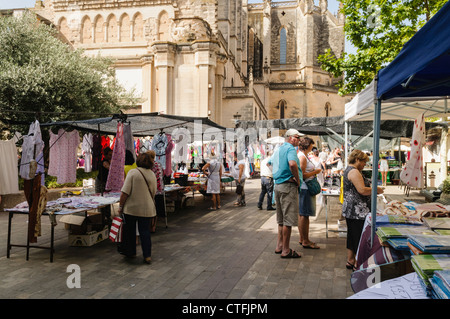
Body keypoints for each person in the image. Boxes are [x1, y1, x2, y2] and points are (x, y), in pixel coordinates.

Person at [342, 149, 384, 271]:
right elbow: (362, 190)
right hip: (357, 211)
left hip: (352, 210)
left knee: (352, 236)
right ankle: (358, 264)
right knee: (359, 238)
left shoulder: (349, 170)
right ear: (357, 159)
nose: (364, 165)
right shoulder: (354, 172)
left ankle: (350, 260)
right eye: (363, 162)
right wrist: (377, 189)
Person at [269, 129, 303, 259]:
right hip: (287, 186)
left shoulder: (279, 149)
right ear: (290, 138)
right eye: (297, 137)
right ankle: (286, 250)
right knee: (288, 220)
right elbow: (292, 164)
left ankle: (279, 246)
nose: (299, 140)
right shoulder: (290, 149)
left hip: (278, 186)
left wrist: (278, 176)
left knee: (281, 220)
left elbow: (269, 163)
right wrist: (297, 179)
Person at [118, 152, 157, 265]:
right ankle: (147, 255)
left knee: (130, 232)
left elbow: (125, 192)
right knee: (145, 232)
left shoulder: (133, 173)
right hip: (147, 209)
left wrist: (120, 207)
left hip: (131, 209)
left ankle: (131, 252)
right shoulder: (152, 174)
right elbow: (154, 192)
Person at [297, 137, 322, 249]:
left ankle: (302, 238)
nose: (312, 148)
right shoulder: (302, 157)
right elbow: (301, 175)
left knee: (302, 214)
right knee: (304, 215)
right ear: (307, 146)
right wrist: (315, 171)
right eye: (311, 146)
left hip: (304, 188)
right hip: (305, 188)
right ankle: (306, 240)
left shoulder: (302, 156)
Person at [148, 150, 165, 233]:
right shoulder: (158, 164)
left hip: (152, 189)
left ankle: (152, 226)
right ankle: (153, 226)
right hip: (159, 189)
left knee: (152, 208)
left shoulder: (150, 165)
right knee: (155, 208)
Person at [95, 147, 113, 226]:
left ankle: (107, 216)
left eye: (112, 155)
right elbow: (110, 169)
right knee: (101, 199)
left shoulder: (110, 161)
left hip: (106, 182)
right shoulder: (104, 162)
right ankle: (102, 217)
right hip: (101, 182)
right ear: (105, 155)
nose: (111, 156)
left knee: (108, 199)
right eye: (109, 155)